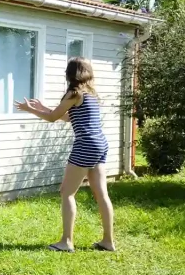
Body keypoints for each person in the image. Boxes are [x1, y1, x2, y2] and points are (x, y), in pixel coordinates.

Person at [13, 57, 116, 252]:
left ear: (70, 74)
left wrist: (31, 110)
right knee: (102, 194)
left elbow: (53, 118)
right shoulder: (90, 93)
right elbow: (69, 116)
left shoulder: (73, 92)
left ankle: (66, 242)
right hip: (100, 144)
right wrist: (42, 108)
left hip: (85, 144)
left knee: (66, 192)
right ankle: (108, 241)